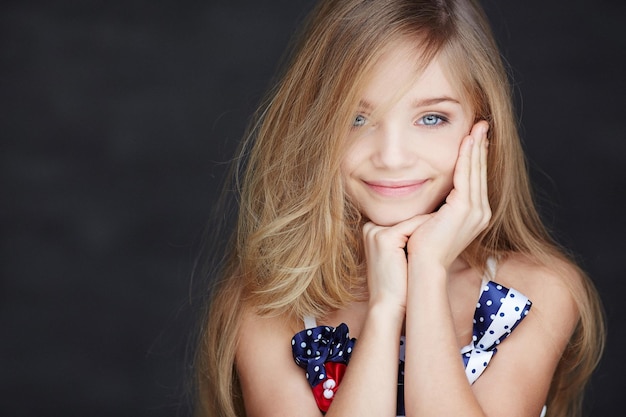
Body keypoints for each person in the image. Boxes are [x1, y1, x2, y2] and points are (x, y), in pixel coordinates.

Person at [194, 1, 605, 416]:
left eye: (430, 118)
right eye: (356, 118)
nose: (391, 157)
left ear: (483, 127)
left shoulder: (539, 291)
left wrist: (427, 271)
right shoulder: (270, 306)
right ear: (315, 127)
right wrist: (385, 309)